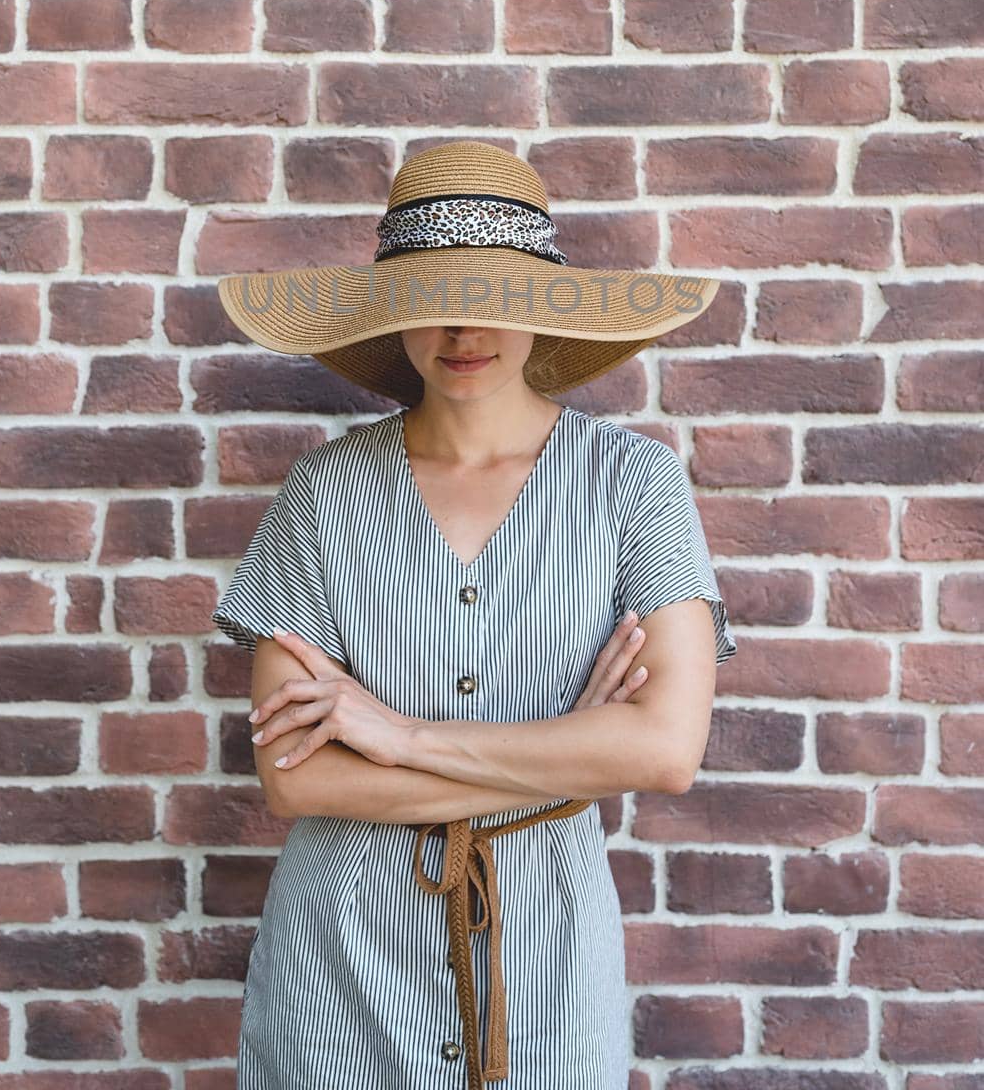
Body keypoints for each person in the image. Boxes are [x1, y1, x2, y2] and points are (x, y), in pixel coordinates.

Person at [211, 138, 738, 1090]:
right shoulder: (324, 493)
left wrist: (396, 735)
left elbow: (664, 751)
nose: (463, 327)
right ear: (391, 315)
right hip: (342, 960)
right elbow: (296, 783)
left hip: (550, 948)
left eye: (496, 295)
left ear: (542, 308)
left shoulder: (633, 484)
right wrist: (572, 742)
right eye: (431, 299)